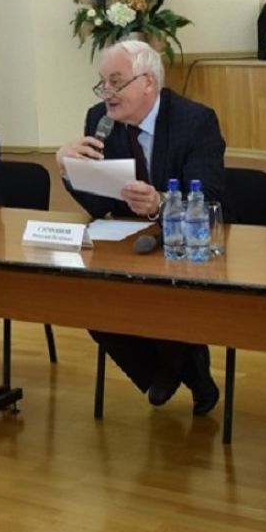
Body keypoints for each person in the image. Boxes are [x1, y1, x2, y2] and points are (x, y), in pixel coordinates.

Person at [55, 39, 225, 416]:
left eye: (116, 82)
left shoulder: (195, 121)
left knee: (164, 295)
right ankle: (176, 370)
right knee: (89, 300)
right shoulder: (99, 119)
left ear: (148, 82)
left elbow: (210, 197)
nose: (107, 93)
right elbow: (99, 205)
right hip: (125, 241)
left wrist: (161, 203)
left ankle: (180, 364)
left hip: (185, 241)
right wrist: (69, 170)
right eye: (102, 83)